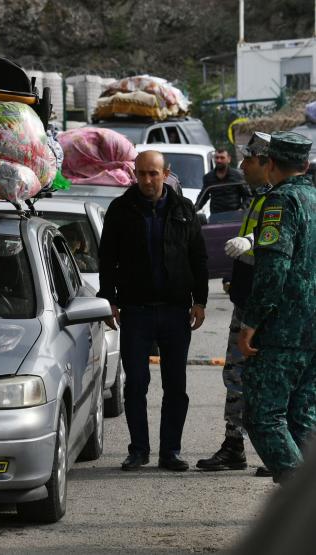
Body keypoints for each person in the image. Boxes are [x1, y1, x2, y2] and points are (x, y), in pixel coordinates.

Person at [98, 150, 208, 472]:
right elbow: (107, 259)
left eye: (153, 173)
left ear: (166, 173)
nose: (147, 180)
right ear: (134, 173)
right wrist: (110, 299)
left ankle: (170, 452)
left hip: (176, 312)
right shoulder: (121, 209)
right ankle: (139, 450)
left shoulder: (183, 209)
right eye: (142, 173)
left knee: (176, 386)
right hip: (137, 311)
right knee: (135, 385)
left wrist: (199, 301)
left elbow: (198, 259)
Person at [237, 131, 316, 484]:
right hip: (311, 330)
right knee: (302, 416)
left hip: (284, 330)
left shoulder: (281, 202)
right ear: (305, 163)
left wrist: (251, 322)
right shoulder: (314, 197)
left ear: (270, 163)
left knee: (264, 416)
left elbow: (274, 269)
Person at [197, 132, 273, 475]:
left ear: (265, 162)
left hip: (264, 307)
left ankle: (273, 451)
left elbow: (278, 238)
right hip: (248, 301)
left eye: (248, 159)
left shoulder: (279, 199)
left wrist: (251, 242)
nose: (242, 165)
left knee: (258, 377)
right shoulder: (258, 196)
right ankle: (236, 445)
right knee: (237, 375)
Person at [202, 148, 250, 214]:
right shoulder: (208, 177)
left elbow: (248, 196)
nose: (219, 160)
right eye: (217, 157)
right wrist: (193, 209)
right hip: (215, 218)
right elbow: (203, 197)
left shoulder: (237, 176)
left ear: (229, 159)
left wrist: (242, 209)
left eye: (222, 158)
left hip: (234, 218)